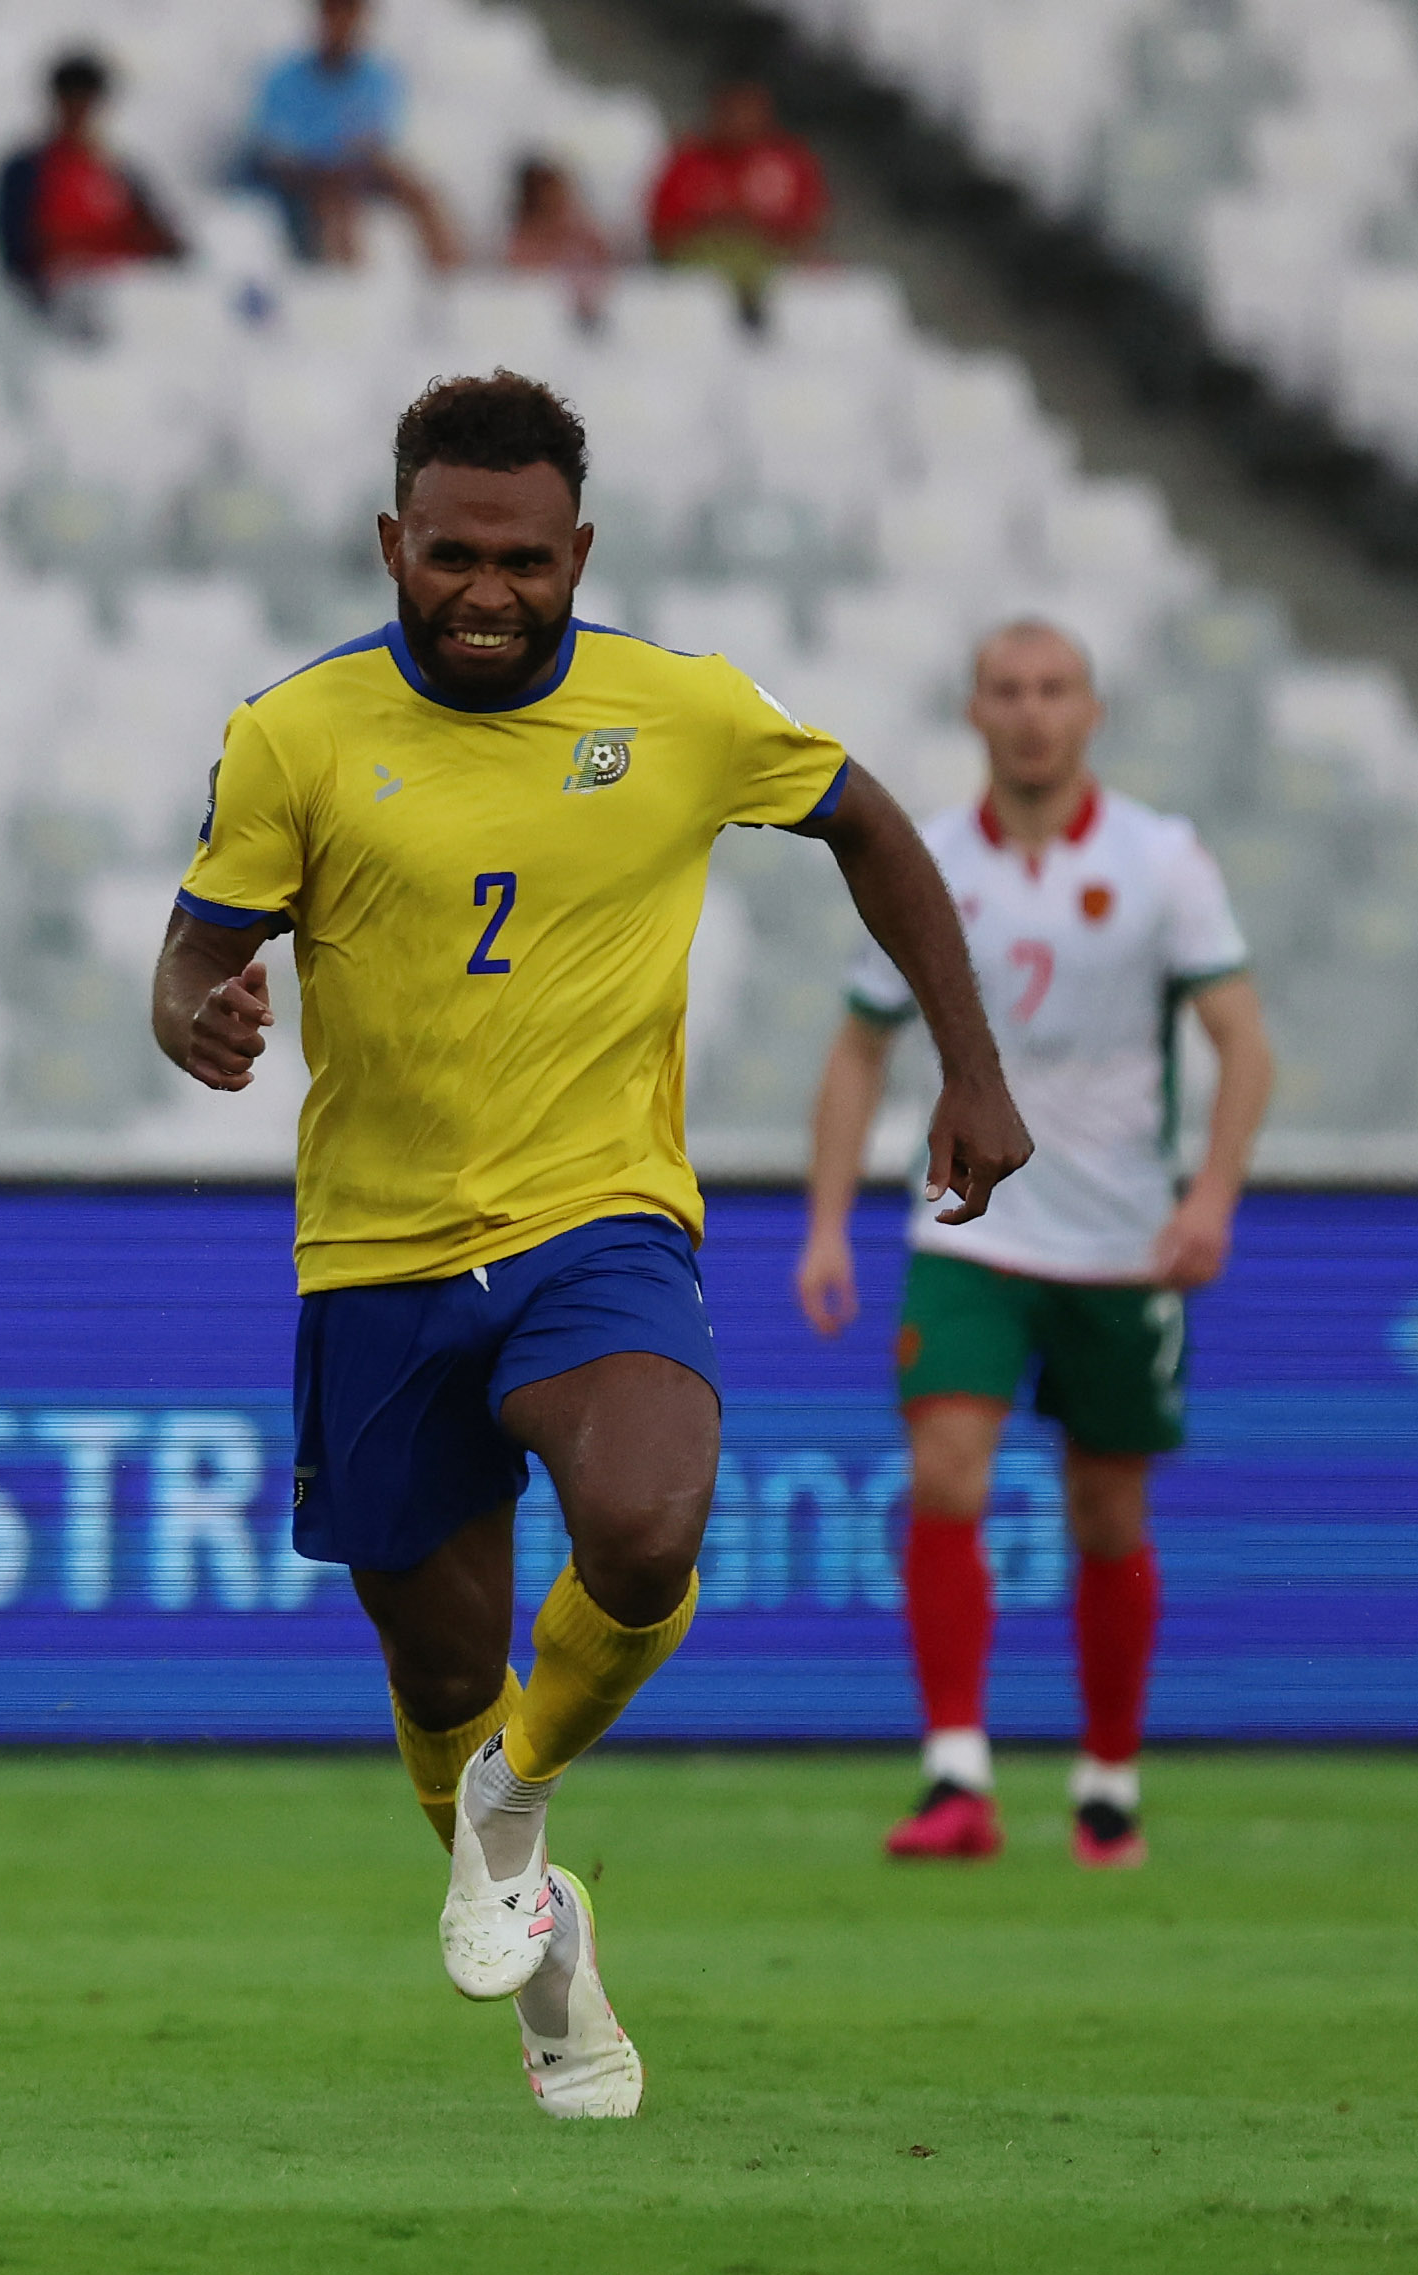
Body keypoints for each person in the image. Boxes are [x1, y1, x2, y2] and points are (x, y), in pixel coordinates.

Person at [153, 371, 1025, 2117]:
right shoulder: (294, 733)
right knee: (440, 1666)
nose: (488, 592)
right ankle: (547, 1962)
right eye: (452, 556)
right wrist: (196, 1013)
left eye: (526, 561)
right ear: (392, 542)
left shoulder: (680, 710)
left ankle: (516, 1800)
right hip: (377, 1260)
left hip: (598, 1222)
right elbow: (193, 952)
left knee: (641, 1520)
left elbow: (867, 823)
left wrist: (969, 1063)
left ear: (581, 552)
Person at [796, 621, 1270, 1871]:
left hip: (1121, 1238)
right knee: (946, 1466)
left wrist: (1210, 1196)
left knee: (1107, 1512)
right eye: (1006, 689)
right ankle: (956, 1771)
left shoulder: (1161, 860)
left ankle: (1106, 1779)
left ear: (1090, 711)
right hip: (967, 1224)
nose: (1029, 712)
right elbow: (859, 1045)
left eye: (1052, 689)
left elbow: (1243, 1041)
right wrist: (829, 1221)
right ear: (973, 710)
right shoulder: (930, 858)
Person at [239, 0, 463, 271]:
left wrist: (353, 157)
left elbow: (376, 139)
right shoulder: (282, 77)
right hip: (300, 177)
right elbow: (275, 149)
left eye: (350, 14)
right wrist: (330, 158)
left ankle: (453, 283)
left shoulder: (378, 77)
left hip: (354, 171)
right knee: (337, 202)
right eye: (334, 12)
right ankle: (347, 296)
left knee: (419, 191)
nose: (342, 24)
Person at [0, 49, 186, 323]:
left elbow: (165, 240)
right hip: (67, 299)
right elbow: (15, 250)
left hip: (131, 294)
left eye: (87, 101)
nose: (80, 111)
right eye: (71, 100)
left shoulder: (119, 173)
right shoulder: (27, 170)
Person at [648, 80, 831, 324]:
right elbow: (662, 235)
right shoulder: (687, 161)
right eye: (732, 110)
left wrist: (754, 223)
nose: (740, 119)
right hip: (698, 277)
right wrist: (714, 220)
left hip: (771, 268)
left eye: (749, 110)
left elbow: (809, 230)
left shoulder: (791, 162)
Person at [503, 153, 619, 326]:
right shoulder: (522, 246)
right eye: (550, 195)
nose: (558, 199)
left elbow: (612, 264)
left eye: (561, 193)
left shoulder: (585, 234)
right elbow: (525, 286)